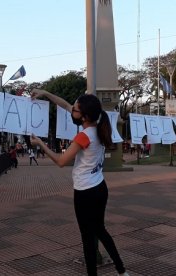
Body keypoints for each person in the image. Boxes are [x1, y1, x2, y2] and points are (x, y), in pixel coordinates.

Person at [29, 89, 128, 276]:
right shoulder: (98, 125)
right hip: (100, 188)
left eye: (75, 109)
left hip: (85, 192)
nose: (71, 110)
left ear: (84, 116)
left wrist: (41, 145)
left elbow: (61, 161)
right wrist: (45, 93)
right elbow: (64, 104)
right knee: (100, 231)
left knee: (87, 238)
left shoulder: (83, 136)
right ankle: (122, 271)